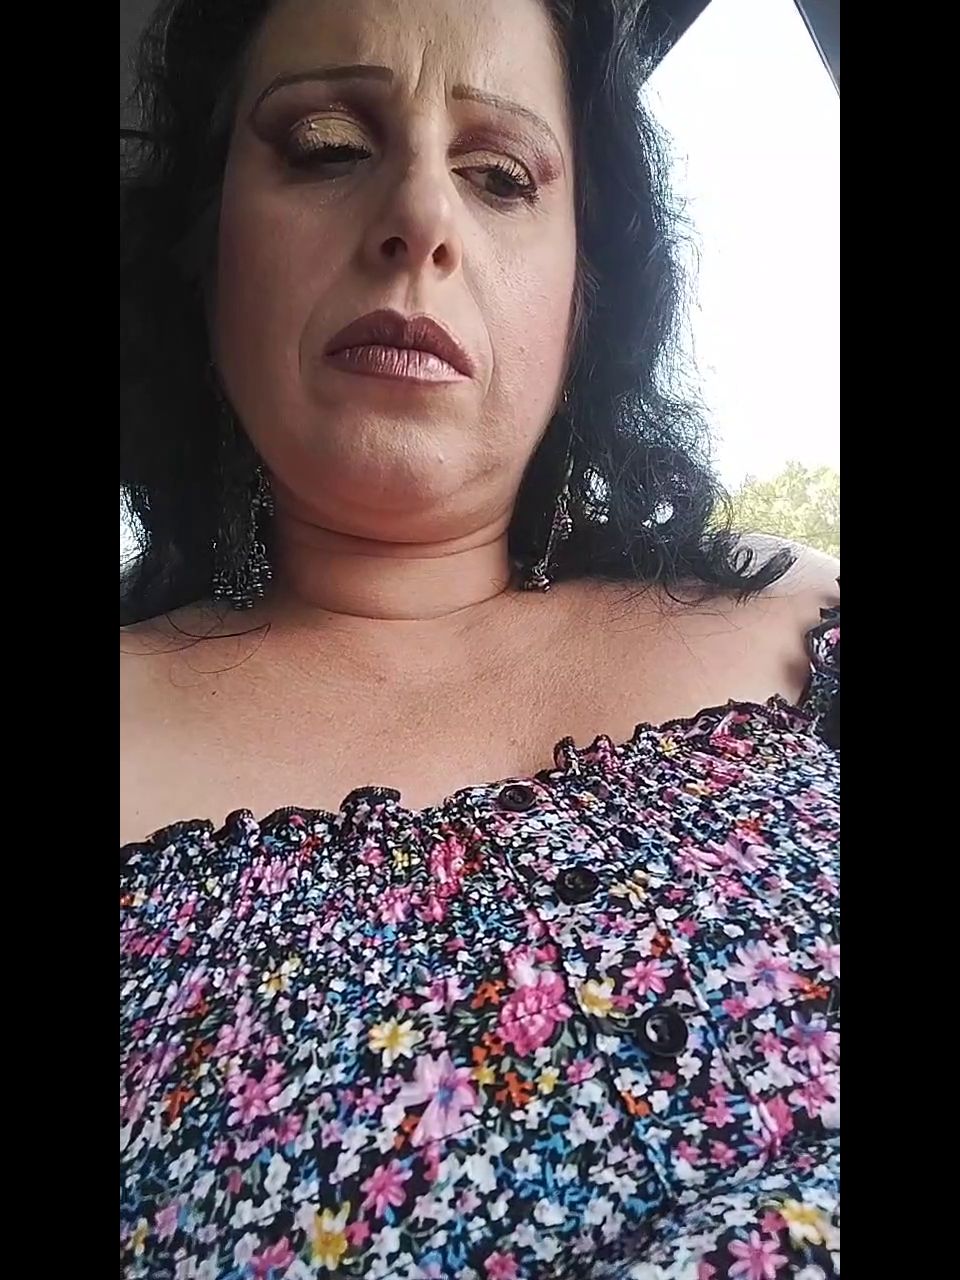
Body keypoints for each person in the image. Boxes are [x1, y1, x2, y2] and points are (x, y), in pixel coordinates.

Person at [120, 0, 840, 1275]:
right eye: (329, 146)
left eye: (502, 175)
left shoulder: (800, 616)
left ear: (585, 290)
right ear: (204, 246)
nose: (420, 217)